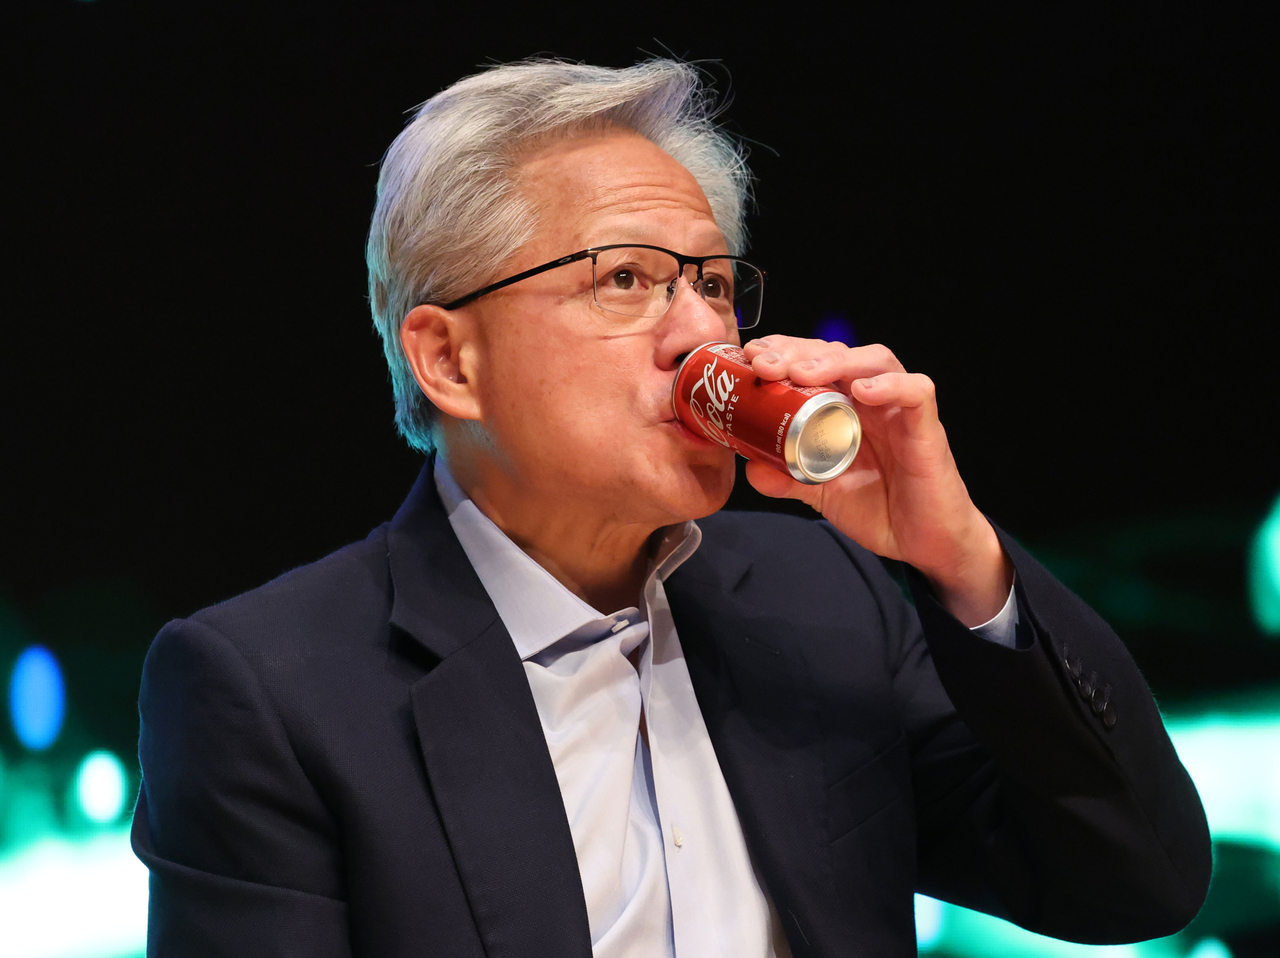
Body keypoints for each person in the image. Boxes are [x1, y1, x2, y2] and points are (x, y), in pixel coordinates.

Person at [131, 59, 1211, 958]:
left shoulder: (819, 596)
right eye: (625, 279)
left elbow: (1135, 884)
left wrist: (960, 558)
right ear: (449, 358)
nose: (701, 334)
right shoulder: (264, 688)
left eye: (710, 283)